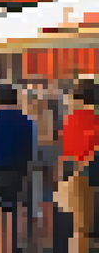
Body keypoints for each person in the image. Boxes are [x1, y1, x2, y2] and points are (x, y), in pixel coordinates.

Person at [0, 83, 36, 253]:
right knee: (15, 207)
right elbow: (30, 148)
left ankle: (0, 247)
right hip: (19, 171)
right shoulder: (26, 121)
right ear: (16, 99)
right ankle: (14, 246)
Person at [60, 81, 99, 253]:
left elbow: (67, 149)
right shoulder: (93, 119)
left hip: (78, 175)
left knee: (80, 228)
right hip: (90, 172)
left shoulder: (73, 118)